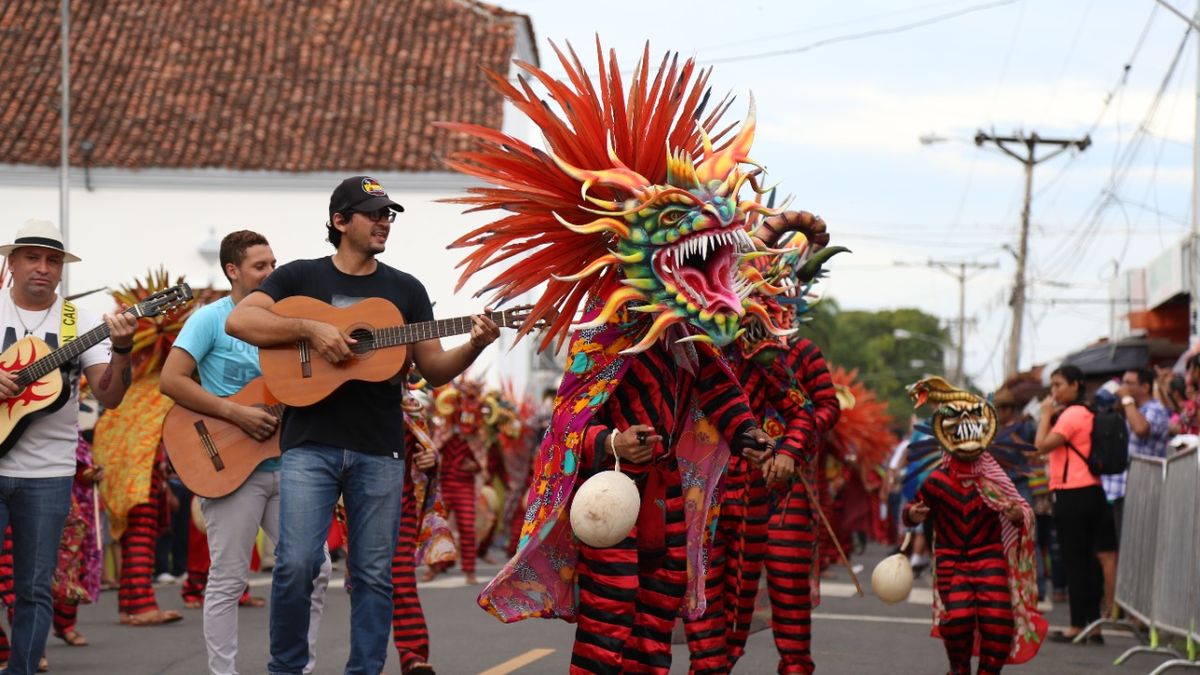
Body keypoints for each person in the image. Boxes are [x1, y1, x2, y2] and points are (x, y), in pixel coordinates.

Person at [225, 176, 499, 675]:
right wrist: (310, 327)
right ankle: (285, 669)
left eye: (387, 215)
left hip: (380, 449)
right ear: (339, 221)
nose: (383, 223)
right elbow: (241, 322)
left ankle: (366, 670)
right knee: (296, 565)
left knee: (374, 574)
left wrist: (477, 343)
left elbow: (433, 370)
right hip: (310, 443)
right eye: (373, 213)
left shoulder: (405, 289)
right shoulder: (298, 277)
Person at [160, 230, 331, 675]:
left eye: (274, 264)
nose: (272, 273)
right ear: (232, 271)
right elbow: (171, 380)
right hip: (228, 465)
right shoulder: (208, 319)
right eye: (261, 266)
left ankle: (299, 667)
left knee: (317, 568)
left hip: (292, 464)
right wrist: (236, 414)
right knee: (228, 578)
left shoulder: (289, 323)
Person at [0, 219, 137, 675]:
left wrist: (121, 349)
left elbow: (111, 396)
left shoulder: (78, 321)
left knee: (36, 587)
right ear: (12, 262)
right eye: (33, 257)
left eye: (52, 260)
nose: (42, 268)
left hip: (50, 471)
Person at [905, 377, 1045, 675]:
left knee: (997, 622)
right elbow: (911, 511)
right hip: (951, 560)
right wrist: (913, 515)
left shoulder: (993, 479)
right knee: (957, 621)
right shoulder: (936, 481)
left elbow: (1023, 509)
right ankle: (958, 669)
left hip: (988, 556)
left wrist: (1016, 515)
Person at [1033, 365, 1117, 643]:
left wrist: (1045, 415)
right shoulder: (1089, 412)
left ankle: (1077, 626)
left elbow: (1042, 445)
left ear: (1076, 385)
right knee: (1090, 563)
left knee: (1075, 562)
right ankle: (1094, 626)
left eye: (1058, 385)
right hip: (1093, 492)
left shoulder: (1071, 414)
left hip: (1072, 493)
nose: (1053, 391)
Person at [1108, 367, 1170, 540]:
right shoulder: (1130, 408)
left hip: (1144, 487)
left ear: (1145, 387)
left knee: (1139, 541)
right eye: (1123, 382)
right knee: (1125, 543)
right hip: (1122, 488)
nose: (1124, 387)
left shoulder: (1155, 408)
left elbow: (1141, 429)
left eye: (1129, 383)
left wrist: (1127, 399)